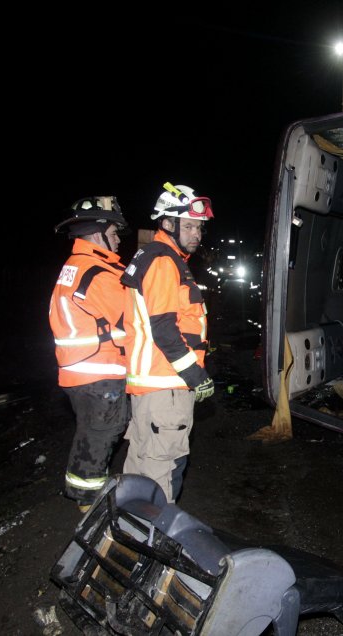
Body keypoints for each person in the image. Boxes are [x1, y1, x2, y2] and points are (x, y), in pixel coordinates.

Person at [120, 182, 215, 502]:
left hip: (153, 387)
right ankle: (154, 542)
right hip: (166, 387)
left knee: (141, 465)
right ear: (167, 224)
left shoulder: (156, 256)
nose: (196, 234)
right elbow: (164, 329)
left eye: (199, 228)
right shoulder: (163, 261)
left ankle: (127, 531)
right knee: (164, 470)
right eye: (188, 226)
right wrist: (196, 376)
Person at [48, 196, 131, 512]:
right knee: (99, 438)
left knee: (95, 435)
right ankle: (89, 506)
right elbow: (130, 324)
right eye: (114, 231)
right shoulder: (99, 274)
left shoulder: (76, 266)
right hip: (99, 372)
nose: (118, 238)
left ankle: (87, 494)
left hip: (80, 371)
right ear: (98, 231)